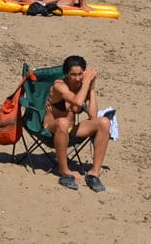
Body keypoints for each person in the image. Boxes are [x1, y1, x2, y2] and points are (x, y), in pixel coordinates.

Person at [39, 55, 111, 192]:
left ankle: (94, 173)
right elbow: (77, 102)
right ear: (66, 74)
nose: (77, 78)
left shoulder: (82, 87)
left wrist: (91, 88)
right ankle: (64, 170)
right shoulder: (59, 86)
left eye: (80, 74)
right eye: (73, 75)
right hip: (52, 128)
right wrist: (86, 82)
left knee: (104, 122)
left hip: (71, 130)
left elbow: (93, 115)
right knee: (63, 123)